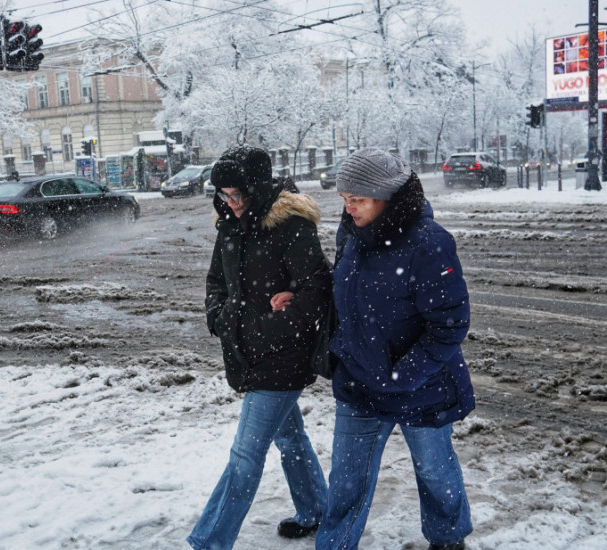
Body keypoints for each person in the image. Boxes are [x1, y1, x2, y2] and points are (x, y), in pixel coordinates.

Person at [316, 148, 475, 550]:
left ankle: (448, 537)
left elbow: (449, 325)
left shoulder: (429, 243)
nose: (348, 208)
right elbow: (343, 296)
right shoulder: (351, 232)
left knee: (436, 472)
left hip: (419, 386)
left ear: (385, 197)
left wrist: (401, 375)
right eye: (344, 199)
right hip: (358, 382)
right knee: (346, 481)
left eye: (357, 200)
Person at [188, 146, 332, 550]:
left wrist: (270, 328)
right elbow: (216, 282)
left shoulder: (291, 226)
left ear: (257, 188)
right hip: (246, 350)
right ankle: (316, 509)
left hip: (284, 354)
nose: (230, 203)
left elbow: (316, 289)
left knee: (245, 456)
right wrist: (220, 318)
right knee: (290, 438)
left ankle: (209, 542)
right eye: (223, 195)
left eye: (237, 195)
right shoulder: (229, 225)